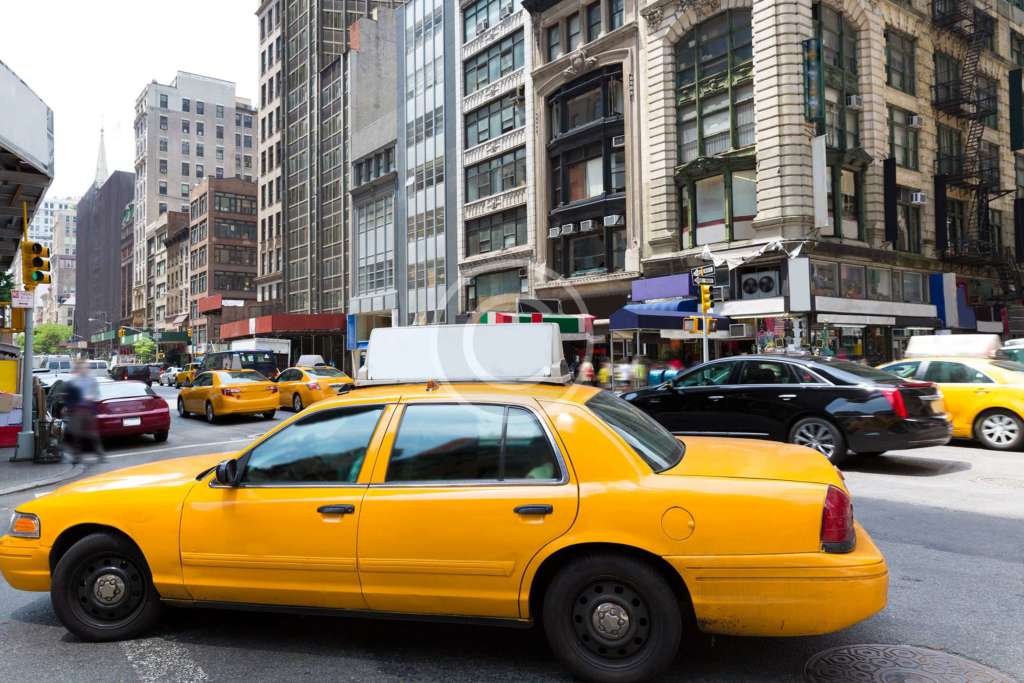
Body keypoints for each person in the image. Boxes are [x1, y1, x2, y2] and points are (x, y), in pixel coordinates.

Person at [65, 360, 105, 464]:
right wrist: (69, 408)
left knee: (93, 434)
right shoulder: (73, 381)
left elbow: (97, 394)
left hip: (88, 409)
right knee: (76, 434)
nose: (85, 369)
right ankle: (76, 456)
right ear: (79, 368)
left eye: (86, 367)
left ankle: (100, 454)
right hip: (76, 411)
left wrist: (91, 397)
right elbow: (68, 397)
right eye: (83, 367)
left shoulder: (91, 380)